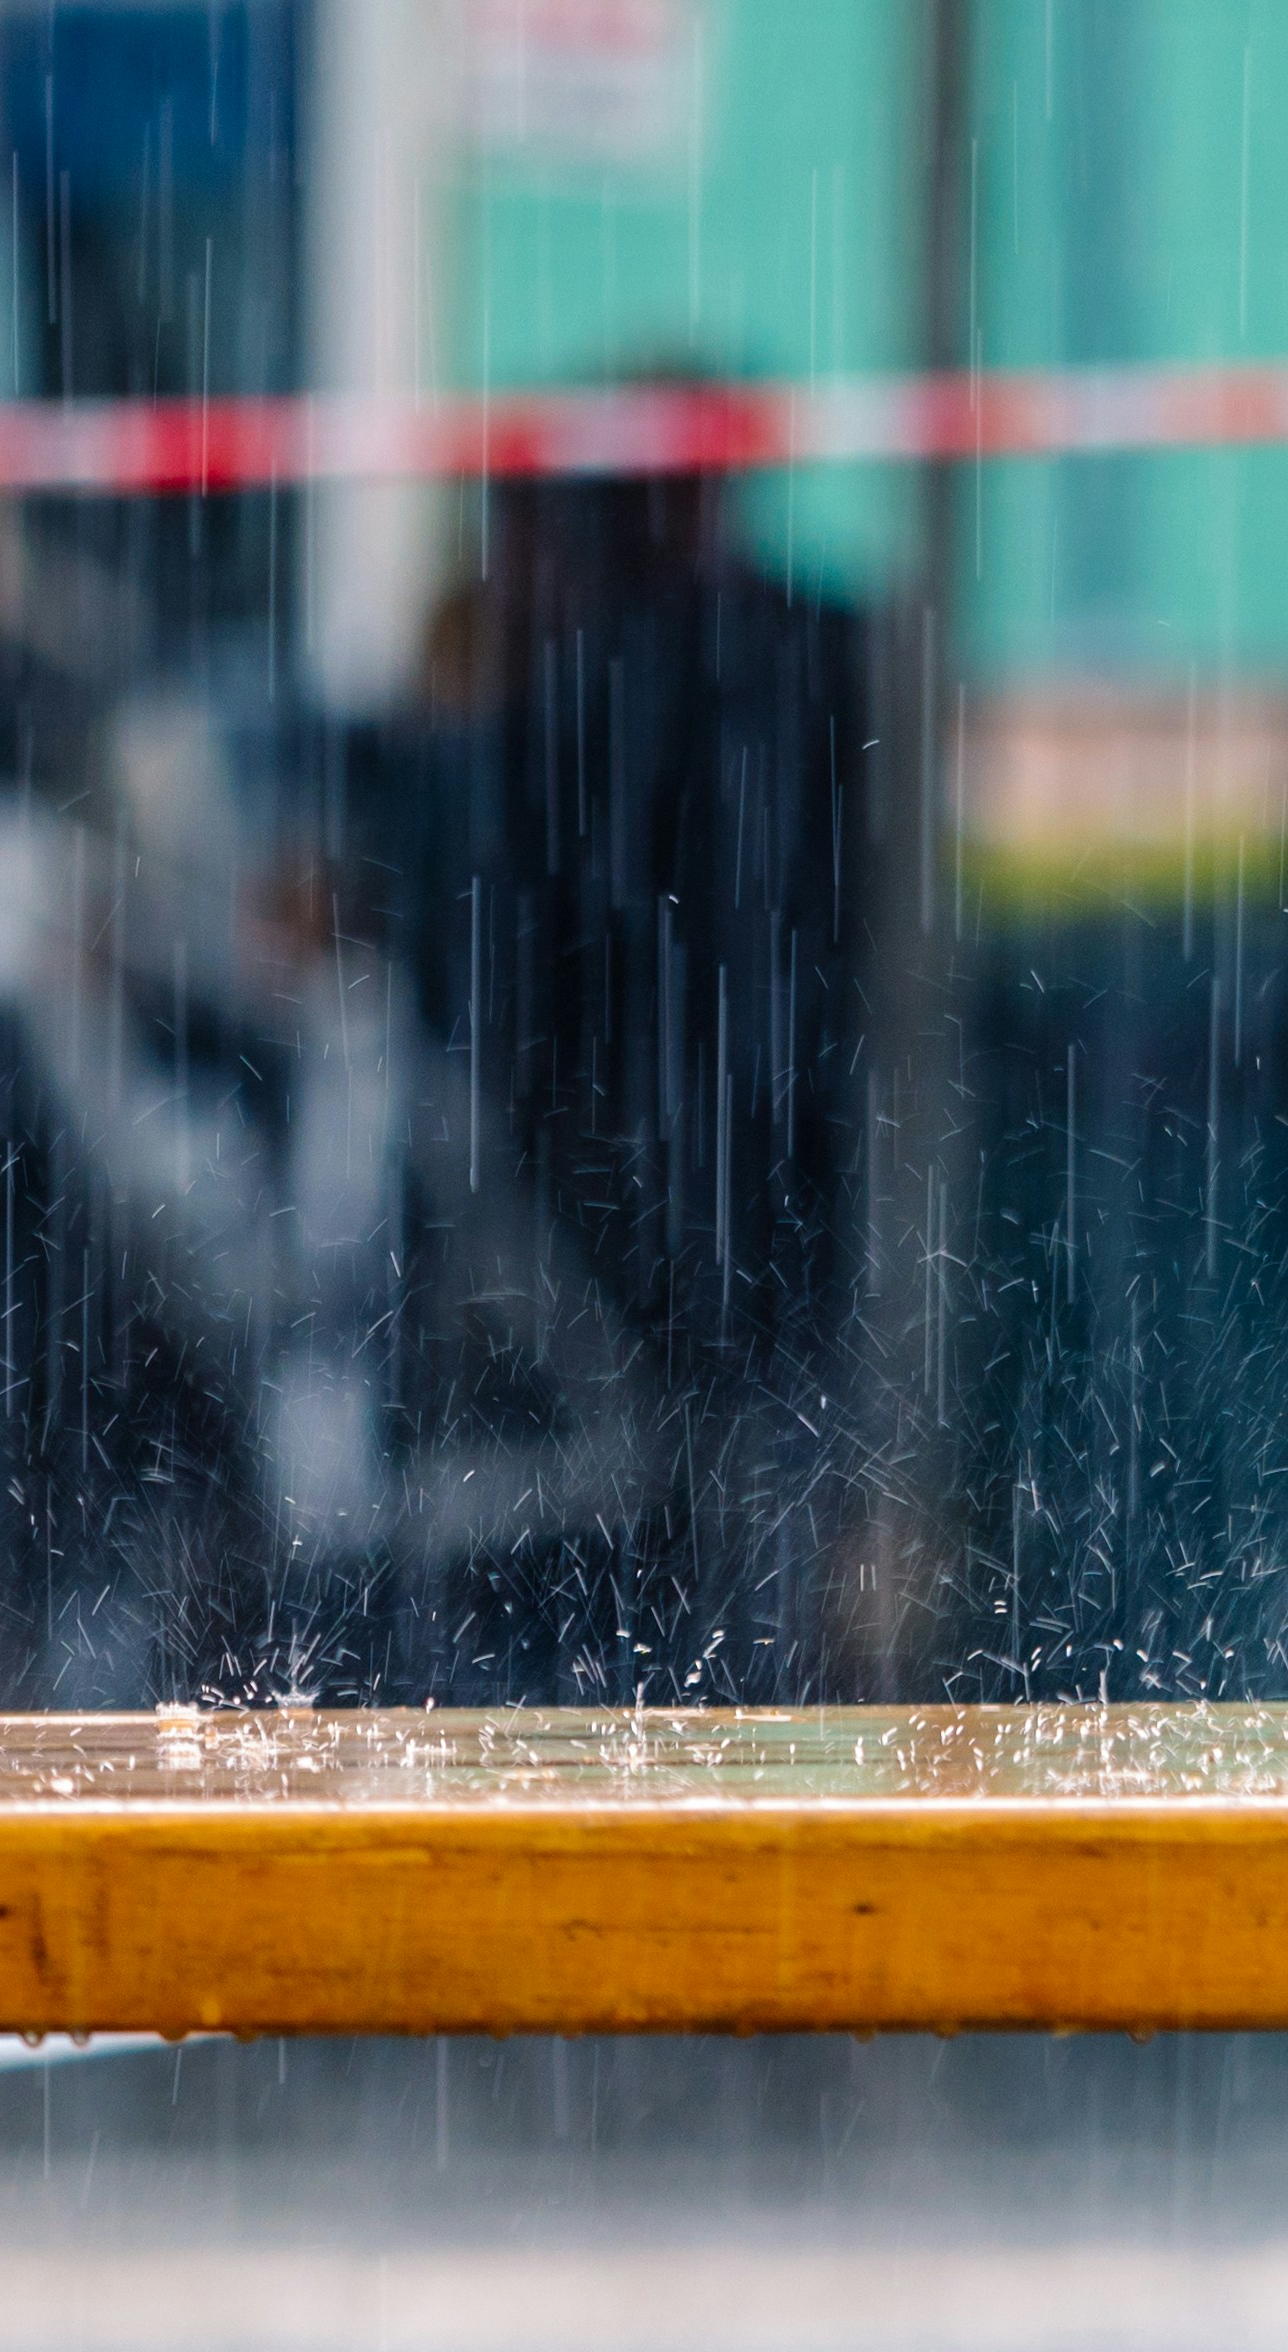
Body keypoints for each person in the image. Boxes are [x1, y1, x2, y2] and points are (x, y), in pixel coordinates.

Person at [428, 460, 875, 1693]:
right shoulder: (635, 683)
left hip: (712, 1162)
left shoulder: (660, 680)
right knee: (710, 1505)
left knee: (735, 1500)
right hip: (679, 1168)